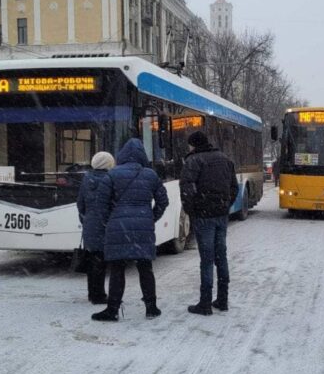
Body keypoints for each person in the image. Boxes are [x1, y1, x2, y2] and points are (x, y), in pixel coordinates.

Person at [92, 138, 168, 322]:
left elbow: (100, 205)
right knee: (145, 267)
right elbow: (163, 202)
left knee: (117, 268)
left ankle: (112, 309)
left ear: (122, 155)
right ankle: (151, 307)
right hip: (143, 227)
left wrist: (109, 222)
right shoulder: (151, 175)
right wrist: (150, 217)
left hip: (118, 227)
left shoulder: (112, 175)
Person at [180, 130, 238, 316]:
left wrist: (193, 211)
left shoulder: (193, 161)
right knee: (221, 256)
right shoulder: (224, 159)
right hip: (221, 215)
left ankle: (204, 304)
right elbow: (234, 188)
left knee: (206, 259)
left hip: (203, 216)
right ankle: (222, 299)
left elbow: (187, 190)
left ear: (194, 145)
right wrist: (225, 206)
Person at [77, 151, 115, 305]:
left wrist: (86, 219)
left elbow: (80, 203)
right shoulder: (110, 179)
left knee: (92, 259)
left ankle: (92, 293)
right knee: (101, 261)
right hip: (105, 224)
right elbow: (112, 203)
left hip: (90, 224)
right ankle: (99, 295)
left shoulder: (86, 178)